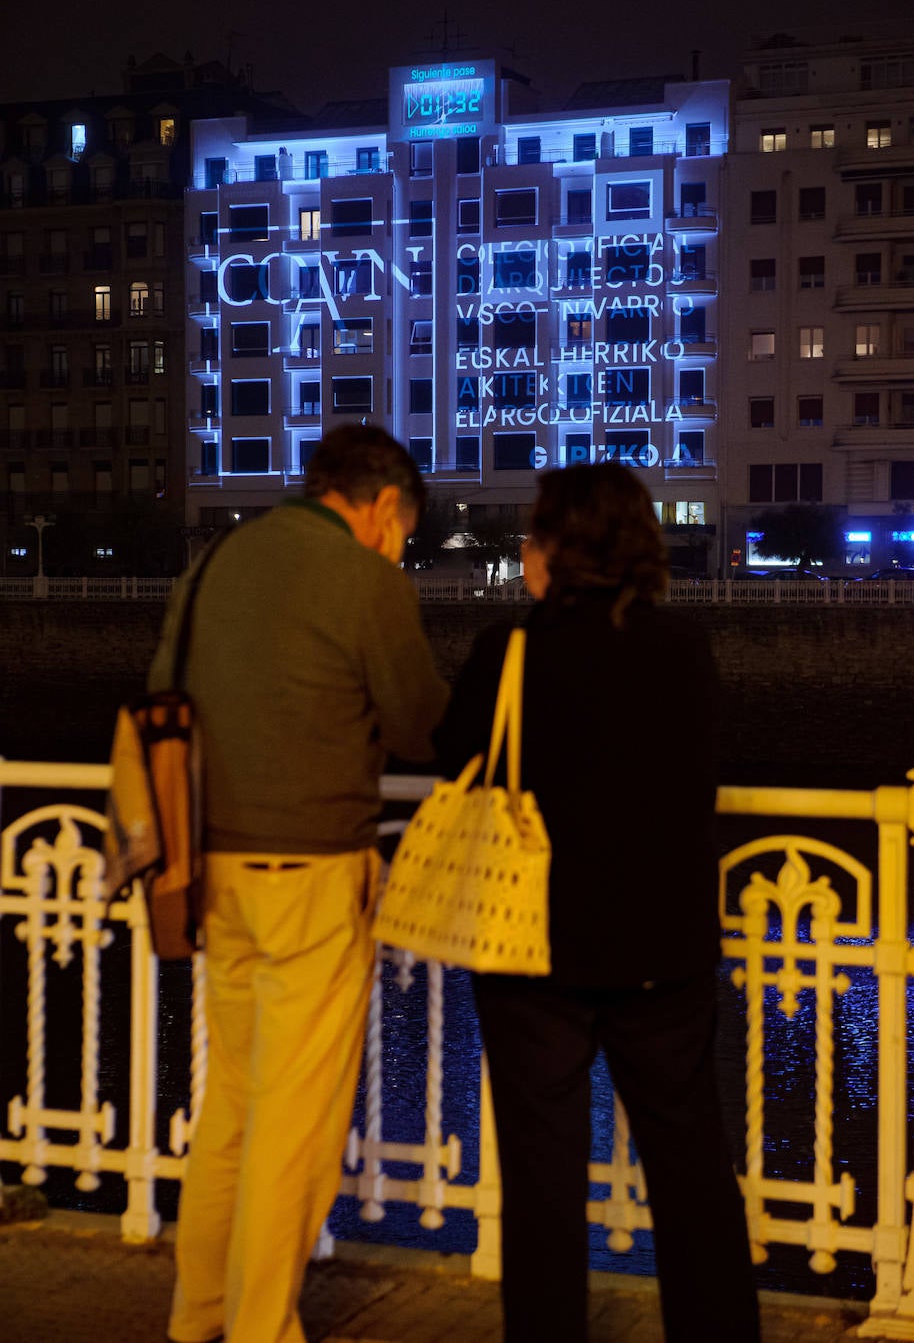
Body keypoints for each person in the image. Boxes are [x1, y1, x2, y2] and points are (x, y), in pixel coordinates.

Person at [434, 464, 759, 1343]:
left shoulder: (512, 653)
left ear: (552, 553)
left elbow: (454, 754)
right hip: (664, 948)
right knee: (691, 1169)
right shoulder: (682, 649)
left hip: (533, 947)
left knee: (544, 1185)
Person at [153, 424, 449, 1343]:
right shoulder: (366, 579)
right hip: (315, 874)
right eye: (403, 532)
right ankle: (261, 1327)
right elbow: (419, 725)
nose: (399, 548)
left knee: (233, 1108)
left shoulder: (217, 562)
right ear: (383, 507)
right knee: (296, 1124)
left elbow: (166, 692)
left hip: (212, 873)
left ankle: (196, 1315)